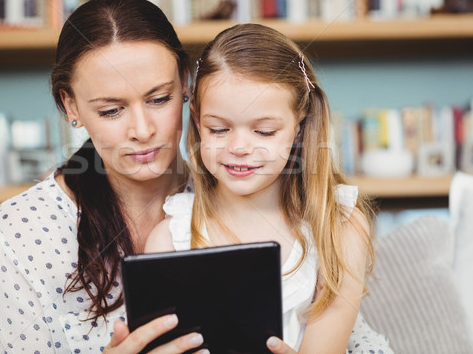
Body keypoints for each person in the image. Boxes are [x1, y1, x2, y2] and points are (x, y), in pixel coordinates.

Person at [145, 23, 392, 353]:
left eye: (264, 132)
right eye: (218, 129)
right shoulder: (169, 240)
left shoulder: (338, 227)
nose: (240, 147)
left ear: (300, 127)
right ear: (198, 121)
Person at [0, 0, 207, 354]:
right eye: (112, 110)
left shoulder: (231, 196)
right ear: (71, 106)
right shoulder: (21, 229)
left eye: (158, 99)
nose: (142, 130)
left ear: (184, 82)